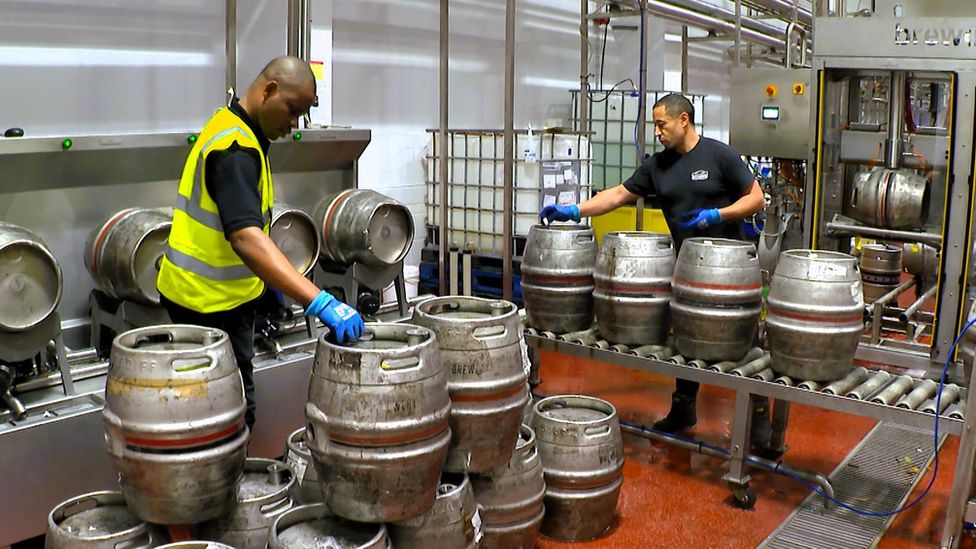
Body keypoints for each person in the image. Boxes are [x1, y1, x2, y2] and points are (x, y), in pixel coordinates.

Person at [539, 93, 771, 449]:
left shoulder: (719, 154)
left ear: (684, 120)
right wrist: (574, 211)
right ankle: (683, 410)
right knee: (688, 335)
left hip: (732, 267)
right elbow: (618, 194)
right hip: (688, 263)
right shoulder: (657, 166)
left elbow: (756, 198)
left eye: (661, 124)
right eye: (654, 125)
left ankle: (758, 422)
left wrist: (718, 215)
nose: (657, 132)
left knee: (745, 341)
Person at [157, 56, 364, 431]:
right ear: (268, 90)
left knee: (216, 411)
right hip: (206, 305)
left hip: (211, 296)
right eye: (291, 110)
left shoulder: (236, 128)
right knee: (227, 417)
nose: (292, 124)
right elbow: (245, 236)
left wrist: (268, 290)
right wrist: (319, 301)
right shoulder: (236, 149)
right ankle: (219, 488)